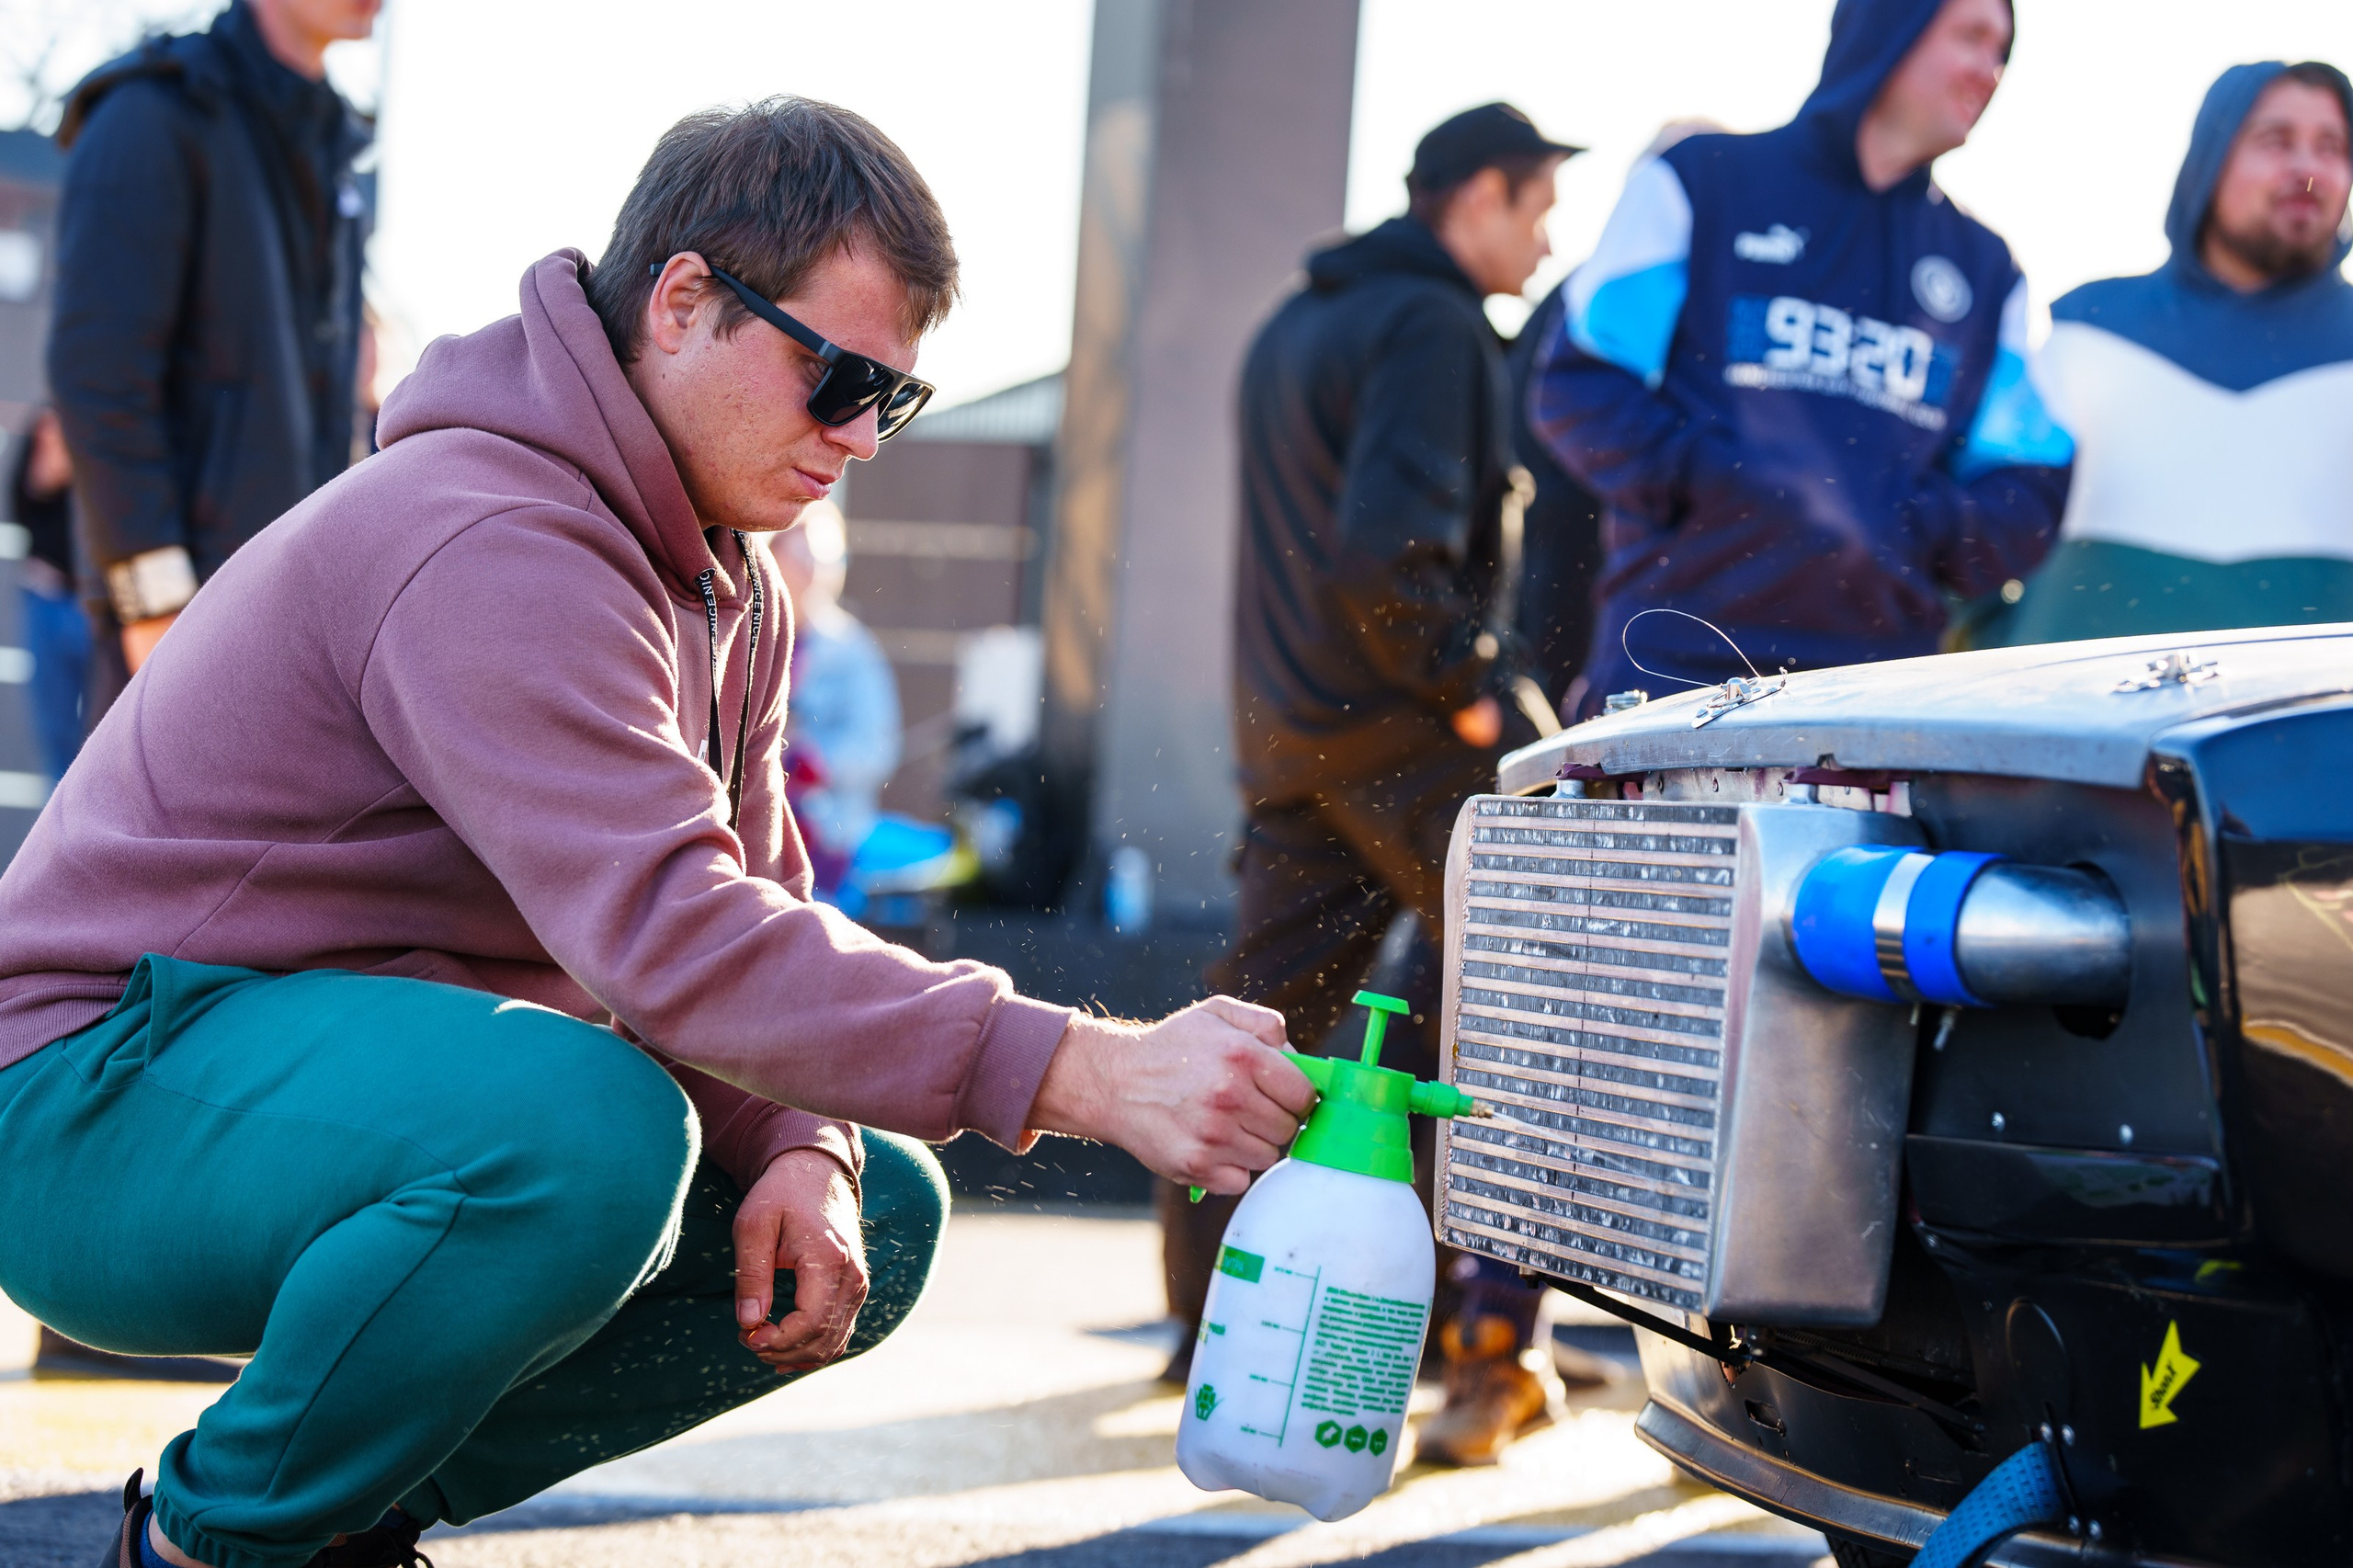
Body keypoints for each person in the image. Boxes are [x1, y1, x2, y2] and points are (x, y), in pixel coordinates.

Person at [0, 99, 1313, 1568]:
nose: (862, 437)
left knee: (872, 1210)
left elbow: (759, 911)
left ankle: (333, 1522)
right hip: (86, 1097)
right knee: (586, 1138)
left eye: (898, 399)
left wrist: (809, 1144)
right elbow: (677, 940)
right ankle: (210, 1544)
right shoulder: (489, 535)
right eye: (838, 377)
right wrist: (1090, 1068)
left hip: (307, 1083)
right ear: (683, 301)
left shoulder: (720, 578)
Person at [1194, 102, 1579, 1467]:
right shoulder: (1431, 327)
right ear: (1475, 196)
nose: (1545, 240)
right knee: (1547, 984)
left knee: (1266, 1024)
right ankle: (1487, 1334)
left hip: (1294, 728)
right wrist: (1474, 674)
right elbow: (1388, 548)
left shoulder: (1296, 325)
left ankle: (1210, 1324)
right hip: (1408, 725)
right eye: (1536, 208)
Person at [1530, 0, 2073, 711]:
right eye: (1970, 37)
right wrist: (1719, 482)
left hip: (1875, 701)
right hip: (1671, 669)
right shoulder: (1702, 180)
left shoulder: (1983, 266)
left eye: (2002, 51)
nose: (1989, 70)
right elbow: (1579, 386)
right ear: (1891, 27)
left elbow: (2029, 484)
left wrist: (1908, 523)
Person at [48, 0, 376, 716]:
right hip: (180, 627)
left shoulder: (333, 149)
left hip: (296, 629)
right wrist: (153, 607)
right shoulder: (152, 116)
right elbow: (98, 378)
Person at [1990, 62, 2353, 644]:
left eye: (2331, 146)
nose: (2308, 169)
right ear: (2210, 161)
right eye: (2275, 141)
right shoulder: (2085, 326)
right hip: (2073, 722)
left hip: (2313, 728)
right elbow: (1977, 537)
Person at [8, 411, 89, 781]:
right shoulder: (47, 423)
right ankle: (57, 836)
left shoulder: (121, 423)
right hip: (49, 595)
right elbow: (20, 505)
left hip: (100, 602)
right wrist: (47, 473)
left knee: (106, 730)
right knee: (55, 735)